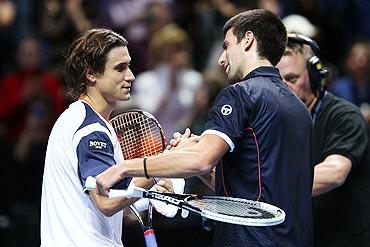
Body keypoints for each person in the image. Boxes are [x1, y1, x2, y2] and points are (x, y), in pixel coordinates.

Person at [95, 9, 315, 247]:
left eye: (227, 45)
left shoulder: (240, 94)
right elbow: (247, 191)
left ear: (248, 40)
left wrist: (127, 168)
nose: (221, 59)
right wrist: (197, 160)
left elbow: (201, 160)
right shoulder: (300, 109)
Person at [40, 28, 177, 246]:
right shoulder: (90, 128)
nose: (130, 76)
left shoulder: (79, 119)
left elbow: (100, 208)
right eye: (120, 68)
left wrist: (148, 194)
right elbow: (105, 201)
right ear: (91, 73)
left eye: (129, 66)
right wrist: (158, 171)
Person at [276, 33, 370, 246]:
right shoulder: (274, 122)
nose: (282, 89)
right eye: (276, 80)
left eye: (292, 79)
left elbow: (334, 172)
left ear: (315, 75)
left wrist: (271, 189)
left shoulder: (345, 116)